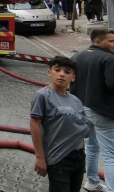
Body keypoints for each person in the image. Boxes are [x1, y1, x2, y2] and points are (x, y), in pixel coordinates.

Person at [30, 56, 90, 192]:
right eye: (57, 70)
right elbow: (34, 125)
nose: (62, 74)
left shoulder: (76, 101)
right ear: (49, 72)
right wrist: (40, 157)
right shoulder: (42, 96)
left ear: (73, 78)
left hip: (78, 157)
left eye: (67, 72)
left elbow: (83, 128)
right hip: (59, 158)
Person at [70, 28, 114, 192]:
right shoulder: (109, 59)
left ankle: (92, 182)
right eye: (111, 41)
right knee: (110, 155)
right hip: (103, 112)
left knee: (91, 146)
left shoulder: (77, 56)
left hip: (82, 109)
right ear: (98, 42)